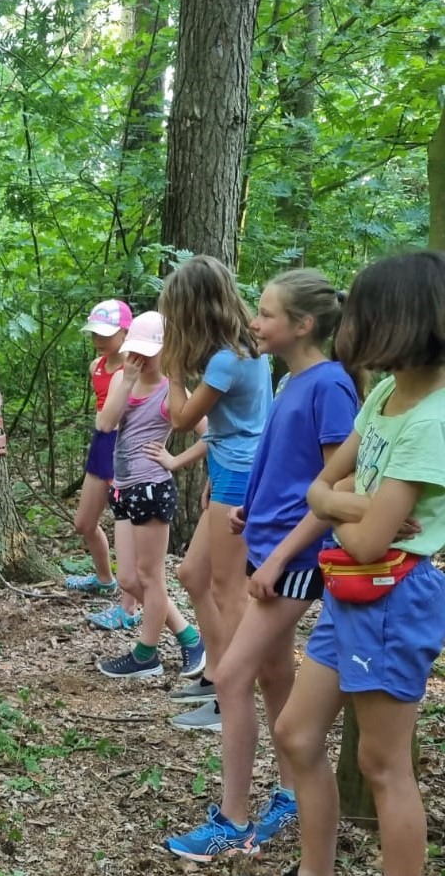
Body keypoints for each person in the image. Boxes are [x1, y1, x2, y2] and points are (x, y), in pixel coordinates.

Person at [164, 269, 359, 861]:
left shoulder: (330, 386)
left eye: (268, 313)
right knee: (273, 676)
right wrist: (252, 508)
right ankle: (294, 792)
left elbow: (336, 489)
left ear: (302, 325)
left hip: (293, 561)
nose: (254, 321)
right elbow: (286, 462)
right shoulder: (290, 379)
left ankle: (233, 817)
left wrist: (275, 557)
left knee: (230, 675)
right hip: (269, 546)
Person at [274, 251, 445, 876]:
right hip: (350, 590)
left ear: (399, 320)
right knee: (295, 733)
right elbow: (319, 489)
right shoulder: (383, 401)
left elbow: (372, 540)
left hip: (394, 597)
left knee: (382, 765)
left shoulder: (433, 421)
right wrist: (357, 503)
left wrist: (340, 504)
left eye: (365, 311)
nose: (352, 326)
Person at [158, 255, 272, 732]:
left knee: (229, 591)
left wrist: (174, 370)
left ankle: (231, 698)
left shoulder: (227, 360)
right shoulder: (241, 349)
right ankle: (214, 674)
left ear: (193, 310)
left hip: (239, 478)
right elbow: (237, 426)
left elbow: (181, 419)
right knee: (191, 573)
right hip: (229, 470)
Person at [92, 311, 207, 679]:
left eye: (148, 352)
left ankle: (146, 654)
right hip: (123, 489)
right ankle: (190, 638)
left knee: (150, 576)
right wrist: (124, 379)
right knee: (128, 579)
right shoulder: (125, 382)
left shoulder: (171, 390)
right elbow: (105, 424)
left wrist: (175, 461)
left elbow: (211, 434)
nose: (141, 359)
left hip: (153, 489)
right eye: (134, 351)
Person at [65, 299, 139, 627]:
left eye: (106, 333)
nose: (99, 339)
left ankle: (130, 607)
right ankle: (104, 578)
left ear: (126, 332)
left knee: (130, 526)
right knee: (84, 523)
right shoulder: (95, 365)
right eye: (94, 332)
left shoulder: (137, 368)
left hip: (126, 448)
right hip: (101, 443)